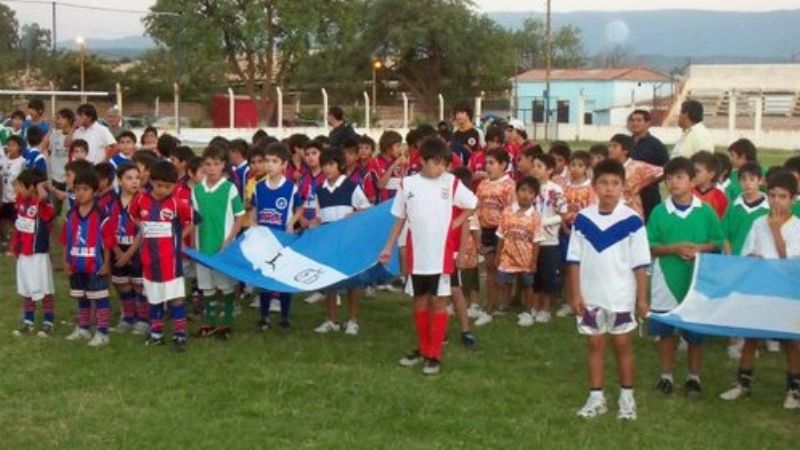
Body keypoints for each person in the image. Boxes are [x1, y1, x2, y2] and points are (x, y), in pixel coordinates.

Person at [380, 137, 477, 376]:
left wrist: (456, 222)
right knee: (420, 301)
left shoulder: (451, 182)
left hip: (441, 256)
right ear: (422, 160)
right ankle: (424, 349)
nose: (441, 168)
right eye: (437, 162)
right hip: (418, 256)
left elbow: (472, 203)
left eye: (444, 163)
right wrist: (388, 247)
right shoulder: (408, 185)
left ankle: (434, 354)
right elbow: (399, 219)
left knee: (439, 302)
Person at [567, 159, 651, 420]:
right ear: (594, 186)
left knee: (622, 344)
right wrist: (576, 294)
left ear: (623, 187)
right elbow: (574, 260)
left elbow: (640, 265)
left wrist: (642, 298)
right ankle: (596, 397)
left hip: (620, 296)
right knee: (594, 344)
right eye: (603, 183)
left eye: (615, 183)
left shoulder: (632, 221)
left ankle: (627, 398)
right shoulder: (583, 219)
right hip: (590, 296)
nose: (609, 188)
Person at [719, 169, 800, 410]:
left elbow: (790, 262)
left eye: (782, 197)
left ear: (793, 199)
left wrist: (775, 231)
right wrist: (752, 258)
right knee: (751, 336)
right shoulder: (758, 223)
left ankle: (794, 389)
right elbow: (747, 253)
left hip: (786, 292)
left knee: (791, 341)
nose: (776, 201)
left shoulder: (796, 227)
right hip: (760, 289)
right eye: (772, 195)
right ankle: (743, 383)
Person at [647, 157, 723, 397]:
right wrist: (674, 249)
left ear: (692, 181)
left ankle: (693, 377)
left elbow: (717, 241)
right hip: (666, 278)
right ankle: (666, 376)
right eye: (669, 178)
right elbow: (650, 245)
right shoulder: (659, 212)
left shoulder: (705, 211)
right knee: (666, 331)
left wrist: (699, 248)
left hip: (695, 279)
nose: (673, 182)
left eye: (679, 177)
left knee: (695, 333)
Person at [129, 160, 193, 350]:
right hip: (149, 260)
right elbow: (133, 215)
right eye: (159, 185)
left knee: (176, 298)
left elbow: (190, 221)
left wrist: (179, 238)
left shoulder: (176, 203)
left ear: (174, 185)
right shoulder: (140, 200)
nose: (163, 190)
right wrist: (142, 226)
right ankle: (156, 334)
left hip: (171, 261)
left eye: (168, 186)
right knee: (154, 298)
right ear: (151, 181)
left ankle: (180, 334)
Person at [313, 148, 372, 335]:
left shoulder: (351, 186)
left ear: (340, 165)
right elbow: (318, 216)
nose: (327, 168)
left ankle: (352, 320)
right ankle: (331, 319)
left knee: (351, 281)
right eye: (324, 165)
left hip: (348, 241)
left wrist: (352, 216)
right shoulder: (319, 190)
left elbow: (366, 208)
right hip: (329, 242)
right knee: (329, 280)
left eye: (331, 164)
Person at [192, 146, 245, 340]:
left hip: (223, 248)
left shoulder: (229, 188)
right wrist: (194, 246)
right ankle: (209, 322)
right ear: (203, 166)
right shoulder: (197, 190)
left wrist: (229, 239)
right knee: (207, 287)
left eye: (216, 164)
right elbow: (194, 219)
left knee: (226, 287)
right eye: (208, 164)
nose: (212, 168)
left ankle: (226, 324)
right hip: (203, 247)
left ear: (223, 165)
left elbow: (240, 216)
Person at [250, 142, 302, 329]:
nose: (269, 165)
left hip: (282, 241)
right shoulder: (258, 187)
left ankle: (284, 317)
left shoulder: (291, 188)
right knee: (265, 278)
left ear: (284, 164)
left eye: (274, 161)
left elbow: (300, 208)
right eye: (267, 161)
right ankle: (264, 317)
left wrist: (291, 223)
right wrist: (253, 224)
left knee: (283, 278)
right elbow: (254, 208)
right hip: (264, 241)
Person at [62, 171, 115, 347]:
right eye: (77, 189)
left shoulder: (101, 214)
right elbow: (66, 239)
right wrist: (66, 260)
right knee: (82, 296)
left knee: (100, 297)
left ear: (95, 191)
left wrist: (106, 263)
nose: (80, 193)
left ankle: (102, 332)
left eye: (85, 189)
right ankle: (83, 328)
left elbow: (107, 242)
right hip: (76, 263)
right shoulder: (71, 214)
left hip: (96, 264)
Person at [11, 169, 56, 337]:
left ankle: (48, 322)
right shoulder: (22, 201)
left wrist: (40, 186)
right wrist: (15, 246)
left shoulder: (41, 204)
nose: (18, 189)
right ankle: (28, 322)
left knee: (43, 288)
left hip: (38, 254)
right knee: (27, 289)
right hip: (24, 253)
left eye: (21, 186)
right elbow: (19, 224)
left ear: (32, 187)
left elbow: (44, 198)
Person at [495, 176, 545, 327]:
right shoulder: (507, 211)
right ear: (517, 192)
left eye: (530, 192)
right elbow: (501, 235)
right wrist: (498, 254)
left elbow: (537, 240)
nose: (525, 195)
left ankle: (528, 311)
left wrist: (534, 261)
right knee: (504, 282)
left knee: (528, 284)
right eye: (523, 190)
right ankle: (504, 304)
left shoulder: (535, 216)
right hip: (507, 255)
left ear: (535, 196)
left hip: (526, 257)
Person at [473, 149, 515, 326]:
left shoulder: (509, 186)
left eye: (492, 163)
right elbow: (477, 205)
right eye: (486, 163)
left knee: (499, 268)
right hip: (486, 230)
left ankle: (497, 304)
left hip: (501, 231)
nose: (487, 167)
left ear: (503, 165)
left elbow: (511, 210)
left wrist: (505, 232)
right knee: (490, 268)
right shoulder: (483, 184)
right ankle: (490, 305)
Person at [107, 163, 149, 335]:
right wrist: (117, 251)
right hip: (118, 249)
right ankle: (128, 317)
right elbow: (107, 229)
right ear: (119, 180)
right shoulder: (112, 202)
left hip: (138, 249)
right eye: (129, 178)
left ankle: (144, 320)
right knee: (123, 283)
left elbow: (144, 229)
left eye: (137, 178)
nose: (134, 181)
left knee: (139, 285)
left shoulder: (143, 200)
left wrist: (129, 253)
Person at [529, 152, 567, 323]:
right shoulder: (529, 187)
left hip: (549, 239)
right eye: (533, 166)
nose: (535, 169)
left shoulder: (555, 190)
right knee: (535, 275)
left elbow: (563, 214)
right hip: (531, 238)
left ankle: (546, 309)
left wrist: (544, 222)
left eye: (539, 166)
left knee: (547, 275)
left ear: (550, 170)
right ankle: (534, 306)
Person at [558, 150, 596, 318]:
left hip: (583, 233)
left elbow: (592, 212)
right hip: (566, 231)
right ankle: (569, 300)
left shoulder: (590, 189)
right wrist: (565, 228)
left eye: (580, 165)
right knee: (568, 268)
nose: (575, 169)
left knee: (584, 267)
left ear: (586, 168)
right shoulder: (563, 188)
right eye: (573, 165)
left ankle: (586, 300)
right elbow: (559, 210)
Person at [449, 166, 480, 348]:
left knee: (455, 290)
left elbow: (465, 229)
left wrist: (461, 254)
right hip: (437, 251)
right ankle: (439, 330)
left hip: (451, 253)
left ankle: (465, 330)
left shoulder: (462, 204)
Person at [608, 134, 663, 218]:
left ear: (625, 151)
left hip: (632, 210)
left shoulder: (637, 166)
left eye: (614, 146)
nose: (610, 149)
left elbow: (662, 171)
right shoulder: (608, 167)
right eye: (609, 146)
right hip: (612, 209)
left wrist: (643, 183)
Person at [628, 109, 669, 220]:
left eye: (639, 120)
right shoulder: (626, 143)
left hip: (649, 194)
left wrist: (648, 181)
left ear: (647, 123)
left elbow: (666, 168)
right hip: (628, 195)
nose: (635, 123)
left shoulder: (656, 145)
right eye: (632, 120)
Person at [1, 136, 26, 254]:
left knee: (14, 222)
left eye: (13, 145)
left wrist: (19, 197)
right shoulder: (4, 160)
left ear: (20, 147)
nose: (10, 147)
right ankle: (4, 242)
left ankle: (14, 245)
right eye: (9, 145)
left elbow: (23, 182)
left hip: (15, 198)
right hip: (4, 197)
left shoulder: (22, 162)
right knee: (3, 220)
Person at [48, 108, 74, 215]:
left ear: (70, 120)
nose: (59, 121)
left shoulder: (76, 135)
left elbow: (68, 144)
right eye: (58, 118)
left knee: (68, 210)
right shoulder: (55, 134)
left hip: (68, 178)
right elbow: (46, 145)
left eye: (62, 118)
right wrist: (51, 127)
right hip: (55, 178)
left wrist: (73, 128)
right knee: (53, 210)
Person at [691, 151, 728, 219]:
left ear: (711, 174)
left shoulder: (719, 197)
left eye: (697, 171)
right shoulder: (687, 192)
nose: (693, 174)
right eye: (691, 170)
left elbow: (720, 220)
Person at [371, 130, 406, 203]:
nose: (400, 149)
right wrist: (393, 166)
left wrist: (403, 167)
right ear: (388, 147)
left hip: (399, 204)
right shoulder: (375, 162)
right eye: (398, 146)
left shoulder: (400, 160)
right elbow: (380, 185)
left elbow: (404, 184)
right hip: (383, 205)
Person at [343, 139, 377, 204]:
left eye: (350, 154)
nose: (347, 156)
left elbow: (372, 198)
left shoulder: (364, 174)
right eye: (344, 154)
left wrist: (358, 203)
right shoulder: (338, 174)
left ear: (357, 156)